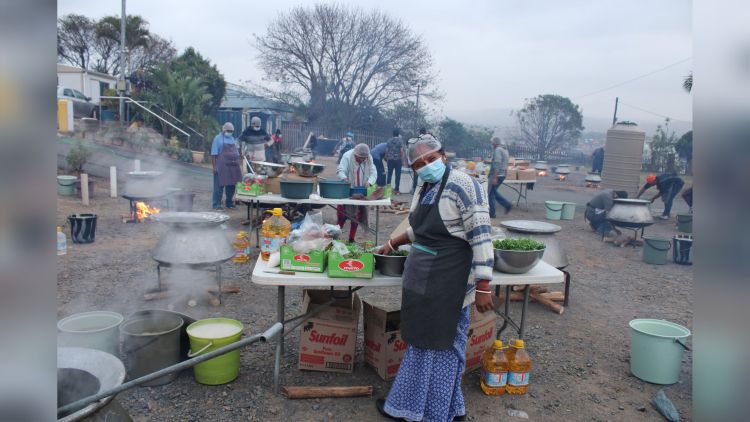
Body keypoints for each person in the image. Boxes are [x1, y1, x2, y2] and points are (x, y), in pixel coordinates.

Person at [375, 136, 494, 422]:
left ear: (443, 154)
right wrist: (395, 242)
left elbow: (480, 233)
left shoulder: (465, 184)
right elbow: (425, 227)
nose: (426, 166)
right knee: (420, 342)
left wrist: (484, 284)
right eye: (418, 164)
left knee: (442, 346)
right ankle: (446, 409)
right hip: (422, 278)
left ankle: (427, 412)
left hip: (448, 280)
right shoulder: (425, 186)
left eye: (430, 159)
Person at [336, 143, 377, 243]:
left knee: (357, 216)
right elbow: (340, 170)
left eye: (364, 158)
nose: (362, 160)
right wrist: (345, 178)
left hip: (361, 192)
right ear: (355, 155)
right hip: (348, 191)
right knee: (342, 215)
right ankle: (335, 238)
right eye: (360, 158)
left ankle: (351, 239)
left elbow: (373, 172)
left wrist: (370, 182)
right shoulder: (347, 156)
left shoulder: (369, 158)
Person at [210, 122, 242, 210]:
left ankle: (229, 203)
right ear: (224, 130)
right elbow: (213, 154)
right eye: (228, 130)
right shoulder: (217, 138)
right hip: (221, 166)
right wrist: (214, 167)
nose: (230, 132)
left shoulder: (233, 139)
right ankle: (216, 204)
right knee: (218, 186)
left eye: (231, 131)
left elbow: (237, 154)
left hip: (232, 167)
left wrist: (238, 166)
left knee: (231, 186)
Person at [488, 137, 513, 217]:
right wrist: (505, 173)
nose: (492, 145)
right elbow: (506, 163)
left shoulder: (498, 150)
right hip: (502, 174)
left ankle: (494, 213)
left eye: (492, 143)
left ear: (495, 143)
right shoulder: (505, 150)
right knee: (493, 192)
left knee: (491, 193)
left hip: (497, 175)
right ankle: (506, 205)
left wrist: (495, 177)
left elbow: (497, 164)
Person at [385, 129, 404, 195]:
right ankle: (396, 190)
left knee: (389, 175)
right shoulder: (400, 141)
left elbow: (386, 151)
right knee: (397, 175)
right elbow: (401, 151)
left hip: (390, 160)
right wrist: (401, 158)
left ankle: (388, 191)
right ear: (398, 134)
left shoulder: (389, 141)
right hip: (398, 160)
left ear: (393, 134)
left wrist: (387, 158)